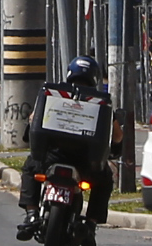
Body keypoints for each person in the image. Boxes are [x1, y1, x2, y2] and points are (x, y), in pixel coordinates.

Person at [20, 56, 113, 228]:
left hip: (51, 157)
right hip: (86, 164)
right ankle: (91, 224)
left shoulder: (53, 94)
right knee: (105, 179)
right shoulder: (101, 102)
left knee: (30, 167)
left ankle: (31, 214)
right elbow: (116, 136)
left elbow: (34, 120)